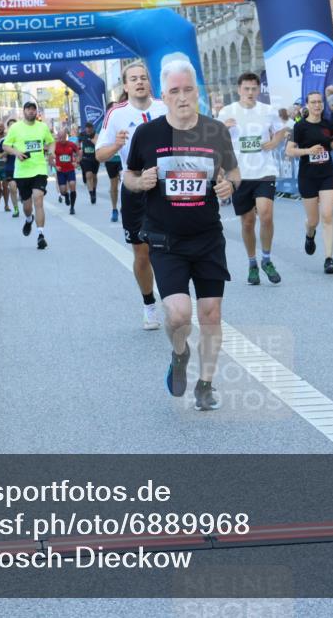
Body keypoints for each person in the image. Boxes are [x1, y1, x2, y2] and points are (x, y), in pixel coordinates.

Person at [123, 59, 240, 411]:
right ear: (164, 95)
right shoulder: (148, 134)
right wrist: (140, 182)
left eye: (188, 90)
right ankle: (179, 354)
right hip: (165, 240)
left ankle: (205, 384)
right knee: (177, 315)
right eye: (175, 91)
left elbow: (233, 172)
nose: (183, 97)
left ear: (197, 93)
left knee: (211, 314)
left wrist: (227, 186)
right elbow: (129, 176)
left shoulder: (215, 131)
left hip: (207, 237)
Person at [96, 62, 168, 330]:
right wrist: (116, 144)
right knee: (142, 252)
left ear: (150, 83)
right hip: (135, 185)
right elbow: (100, 154)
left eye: (143, 78)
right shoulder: (116, 114)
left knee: (171, 247)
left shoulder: (164, 107)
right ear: (125, 86)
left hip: (166, 186)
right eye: (133, 79)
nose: (139, 82)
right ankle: (149, 304)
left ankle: (174, 298)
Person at [217, 72, 289, 285]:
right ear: (239, 90)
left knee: (265, 215)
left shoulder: (268, 111)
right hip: (239, 174)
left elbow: (281, 130)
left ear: (258, 90)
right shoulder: (227, 111)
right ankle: (252, 263)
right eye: (246, 89)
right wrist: (223, 129)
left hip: (264, 171)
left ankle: (266, 259)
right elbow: (214, 139)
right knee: (248, 222)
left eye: (253, 89)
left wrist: (274, 143)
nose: (250, 92)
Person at [287, 91, 333, 274]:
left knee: (327, 215)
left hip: (327, 175)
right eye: (313, 102)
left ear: (323, 105)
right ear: (307, 105)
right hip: (307, 177)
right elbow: (289, 151)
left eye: (319, 102)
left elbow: (331, 142)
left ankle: (329, 259)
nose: (317, 105)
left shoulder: (328, 124)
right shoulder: (299, 127)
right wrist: (308, 151)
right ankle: (310, 235)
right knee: (313, 220)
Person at [4, 102, 54, 248]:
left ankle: (40, 235)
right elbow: (6, 145)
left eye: (34, 110)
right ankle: (28, 219)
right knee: (27, 206)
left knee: (38, 199)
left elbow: (51, 142)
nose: (31, 112)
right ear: (24, 111)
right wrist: (16, 153)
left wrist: (51, 152)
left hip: (39, 169)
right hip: (22, 172)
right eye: (28, 109)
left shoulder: (42, 127)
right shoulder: (15, 127)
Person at [53, 127, 80, 215]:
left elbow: (79, 153)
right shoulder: (55, 145)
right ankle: (66, 195)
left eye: (63, 137)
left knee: (72, 185)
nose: (61, 139)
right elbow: (50, 158)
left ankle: (72, 207)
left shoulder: (71, 144)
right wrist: (55, 166)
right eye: (59, 137)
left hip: (70, 169)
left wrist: (77, 162)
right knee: (62, 191)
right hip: (61, 171)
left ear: (66, 136)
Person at [78, 123, 100, 204]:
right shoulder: (82, 135)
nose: (88, 130)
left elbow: (99, 144)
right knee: (89, 175)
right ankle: (91, 194)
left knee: (94, 176)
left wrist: (93, 140)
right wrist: (78, 154)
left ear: (92, 128)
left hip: (95, 158)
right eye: (87, 128)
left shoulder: (96, 135)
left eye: (90, 128)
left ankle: (94, 190)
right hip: (85, 158)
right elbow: (78, 145)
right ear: (85, 128)